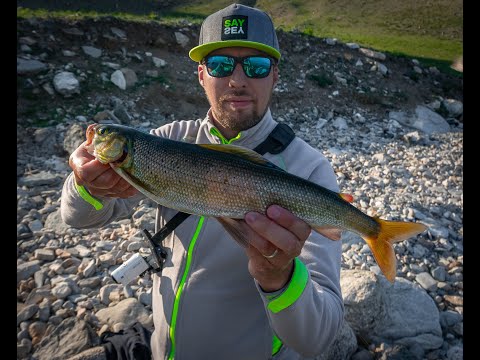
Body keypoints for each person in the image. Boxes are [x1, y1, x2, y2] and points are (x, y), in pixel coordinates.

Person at [61, 3, 344, 359]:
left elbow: (318, 339)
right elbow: (78, 219)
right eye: (220, 65)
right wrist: (87, 185)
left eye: (255, 66)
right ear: (201, 75)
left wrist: (280, 278)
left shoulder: (309, 169)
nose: (237, 80)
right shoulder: (166, 139)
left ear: (275, 76)